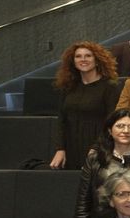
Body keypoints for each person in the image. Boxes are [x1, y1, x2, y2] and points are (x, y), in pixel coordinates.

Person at [50, 42, 121, 171]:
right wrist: (60, 149)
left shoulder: (109, 87)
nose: (83, 59)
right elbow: (62, 120)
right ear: (73, 62)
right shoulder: (68, 86)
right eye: (78, 56)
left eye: (88, 56)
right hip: (71, 145)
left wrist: (97, 148)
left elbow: (112, 122)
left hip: (98, 145)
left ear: (97, 60)